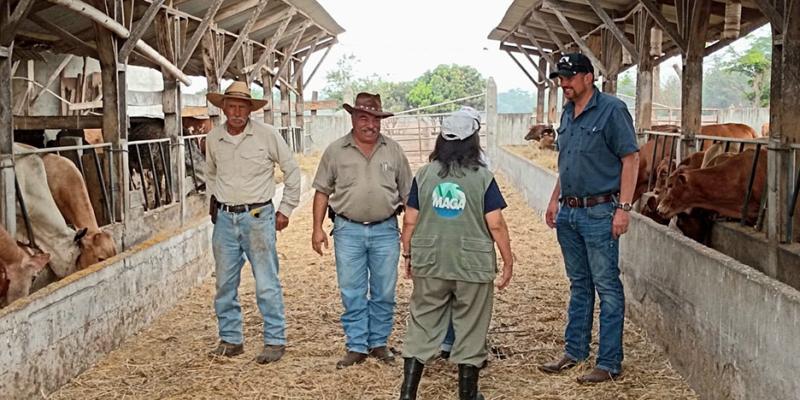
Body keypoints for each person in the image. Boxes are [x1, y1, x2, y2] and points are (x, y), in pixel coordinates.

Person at [399, 106, 513, 400]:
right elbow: (496, 224)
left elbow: (410, 219)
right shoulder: (482, 177)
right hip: (471, 265)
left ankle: (407, 394)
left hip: (431, 261)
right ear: (473, 139)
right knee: (471, 326)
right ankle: (467, 395)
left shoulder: (424, 175)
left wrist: (409, 255)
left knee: (421, 324)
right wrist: (508, 260)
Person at [539, 53, 639, 383]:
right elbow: (567, 163)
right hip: (569, 211)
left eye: (569, 77)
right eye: (560, 78)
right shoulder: (567, 114)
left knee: (607, 285)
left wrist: (623, 209)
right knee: (579, 284)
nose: (563, 83)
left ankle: (609, 362)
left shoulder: (612, 109)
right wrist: (555, 200)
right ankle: (575, 351)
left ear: (588, 77)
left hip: (600, 211)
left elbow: (630, 158)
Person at [311, 92, 413, 369]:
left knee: (384, 291)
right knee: (352, 290)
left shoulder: (393, 150)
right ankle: (356, 345)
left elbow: (409, 196)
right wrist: (317, 229)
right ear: (353, 119)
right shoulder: (335, 150)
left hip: (386, 230)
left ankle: (379, 343)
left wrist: (411, 235)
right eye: (364, 118)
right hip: (347, 230)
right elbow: (322, 191)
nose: (371, 125)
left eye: (376, 119)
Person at [205, 81, 301, 364]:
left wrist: (285, 209)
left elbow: (292, 170)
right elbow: (210, 174)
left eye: (242, 107)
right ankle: (231, 339)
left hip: (258, 216)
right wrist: (217, 202)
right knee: (224, 282)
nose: (236, 112)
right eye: (231, 106)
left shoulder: (267, 135)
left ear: (250, 109)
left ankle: (274, 340)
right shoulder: (213, 139)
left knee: (266, 281)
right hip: (224, 218)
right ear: (223, 108)